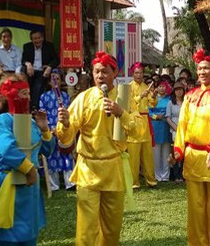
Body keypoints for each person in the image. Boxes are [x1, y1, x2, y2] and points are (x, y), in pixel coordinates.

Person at [55, 52, 146, 246]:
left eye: (105, 72)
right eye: (96, 72)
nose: (100, 76)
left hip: (114, 168)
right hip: (88, 169)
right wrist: (64, 123)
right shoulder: (84, 98)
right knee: (86, 229)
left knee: (112, 229)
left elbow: (139, 131)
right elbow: (67, 135)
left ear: (115, 73)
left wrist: (120, 112)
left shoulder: (125, 97)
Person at [0, 76, 57, 246]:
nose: (28, 98)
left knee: (29, 233)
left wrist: (44, 129)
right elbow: (7, 148)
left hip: (30, 187)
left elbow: (47, 150)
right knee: (7, 234)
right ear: (12, 96)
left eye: (29, 93)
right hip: (10, 182)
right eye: (23, 93)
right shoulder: (4, 120)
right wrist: (29, 169)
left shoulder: (31, 121)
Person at [172, 49, 210, 246]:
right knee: (196, 211)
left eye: (206, 68)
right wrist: (178, 150)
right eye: (199, 68)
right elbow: (182, 126)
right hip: (193, 159)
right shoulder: (189, 96)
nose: (202, 72)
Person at [38, 69, 74, 191]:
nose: (55, 81)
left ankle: (70, 182)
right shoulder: (44, 97)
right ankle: (54, 184)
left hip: (63, 129)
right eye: (53, 79)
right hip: (51, 129)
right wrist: (49, 128)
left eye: (57, 79)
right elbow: (42, 113)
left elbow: (70, 112)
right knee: (52, 155)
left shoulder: (65, 97)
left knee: (66, 153)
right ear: (49, 82)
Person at [127, 62, 158, 189]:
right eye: (136, 73)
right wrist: (141, 96)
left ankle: (151, 181)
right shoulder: (128, 87)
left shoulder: (147, 86)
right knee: (133, 157)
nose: (139, 75)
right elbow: (128, 105)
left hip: (145, 121)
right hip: (134, 121)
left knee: (148, 155)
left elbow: (152, 105)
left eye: (140, 72)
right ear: (132, 74)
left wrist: (154, 97)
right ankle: (134, 183)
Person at [22, 29, 59, 109]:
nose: (37, 40)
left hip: (42, 72)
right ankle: (25, 107)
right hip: (30, 72)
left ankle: (34, 107)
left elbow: (56, 59)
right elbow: (23, 60)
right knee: (25, 85)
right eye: (35, 39)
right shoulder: (27, 47)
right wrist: (28, 64)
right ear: (31, 40)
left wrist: (49, 67)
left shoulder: (49, 46)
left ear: (42, 38)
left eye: (39, 38)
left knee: (38, 86)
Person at [151, 80, 172, 182]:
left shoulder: (170, 99)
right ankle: (157, 175)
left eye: (164, 86)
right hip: (155, 126)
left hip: (166, 126)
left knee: (166, 152)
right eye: (160, 86)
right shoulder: (152, 99)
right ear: (156, 88)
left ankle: (165, 176)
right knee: (156, 153)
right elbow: (148, 111)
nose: (162, 88)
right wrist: (155, 116)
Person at [166, 81, 185, 183]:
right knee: (175, 153)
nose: (179, 92)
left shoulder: (186, 102)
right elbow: (168, 117)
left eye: (180, 89)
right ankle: (176, 175)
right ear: (174, 91)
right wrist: (175, 127)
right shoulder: (170, 103)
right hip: (174, 129)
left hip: (185, 129)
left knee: (184, 153)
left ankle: (183, 174)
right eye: (177, 90)